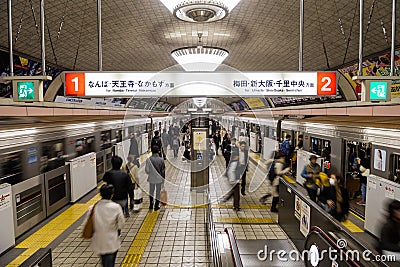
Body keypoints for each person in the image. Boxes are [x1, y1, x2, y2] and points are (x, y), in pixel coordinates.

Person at [84, 184, 124, 267]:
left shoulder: (92, 208)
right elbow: (121, 224)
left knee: (104, 261)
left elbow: (86, 223)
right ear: (112, 195)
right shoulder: (116, 207)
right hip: (111, 241)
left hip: (99, 241)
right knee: (110, 263)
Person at [145, 146, 165, 211]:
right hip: (159, 179)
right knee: (158, 192)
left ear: (152, 151)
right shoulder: (161, 160)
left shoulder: (148, 160)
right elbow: (163, 171)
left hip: (151, 178)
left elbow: (147, 170)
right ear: (158, 151)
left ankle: (151, 204)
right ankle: (156, 205)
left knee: (151, 191)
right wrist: (163, 179)